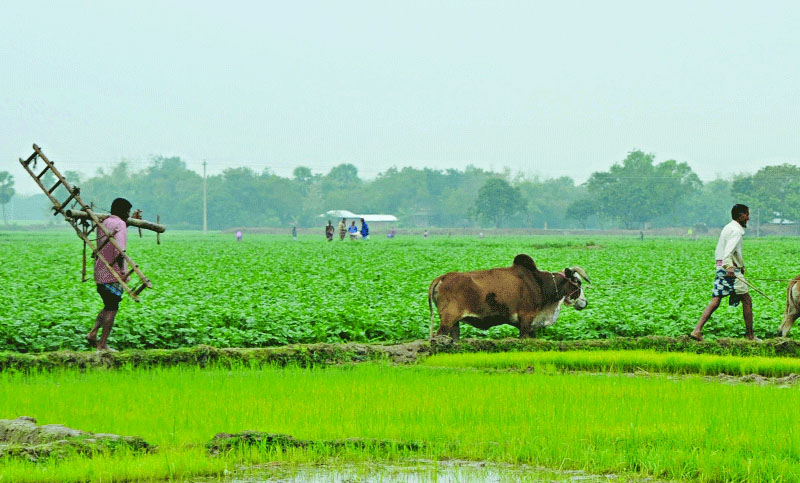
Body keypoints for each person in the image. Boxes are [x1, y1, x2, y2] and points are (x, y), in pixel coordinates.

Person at [690, 204, 757, 341]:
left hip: (722, 268)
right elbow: (729, 251)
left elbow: (722, 250)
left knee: (716, 299)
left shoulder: (728, 227)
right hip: (730, 271)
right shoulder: (736, 231)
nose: (748, 218)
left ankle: (697, 330)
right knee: (746, 300)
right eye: (747, 215)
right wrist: (730, 267)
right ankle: (750, 336)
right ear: (741, 216)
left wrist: (740, 265)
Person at [87, 197, 132, 352]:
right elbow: (120, 250)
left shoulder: (104, 222)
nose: (128, 215)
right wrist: (123, 271)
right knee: (112, 308)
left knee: (108, 305)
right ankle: (102, 344)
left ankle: (93, 333)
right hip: (113, 273)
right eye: (127, 212)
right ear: (121, 212)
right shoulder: (120, 224)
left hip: (100, 270)